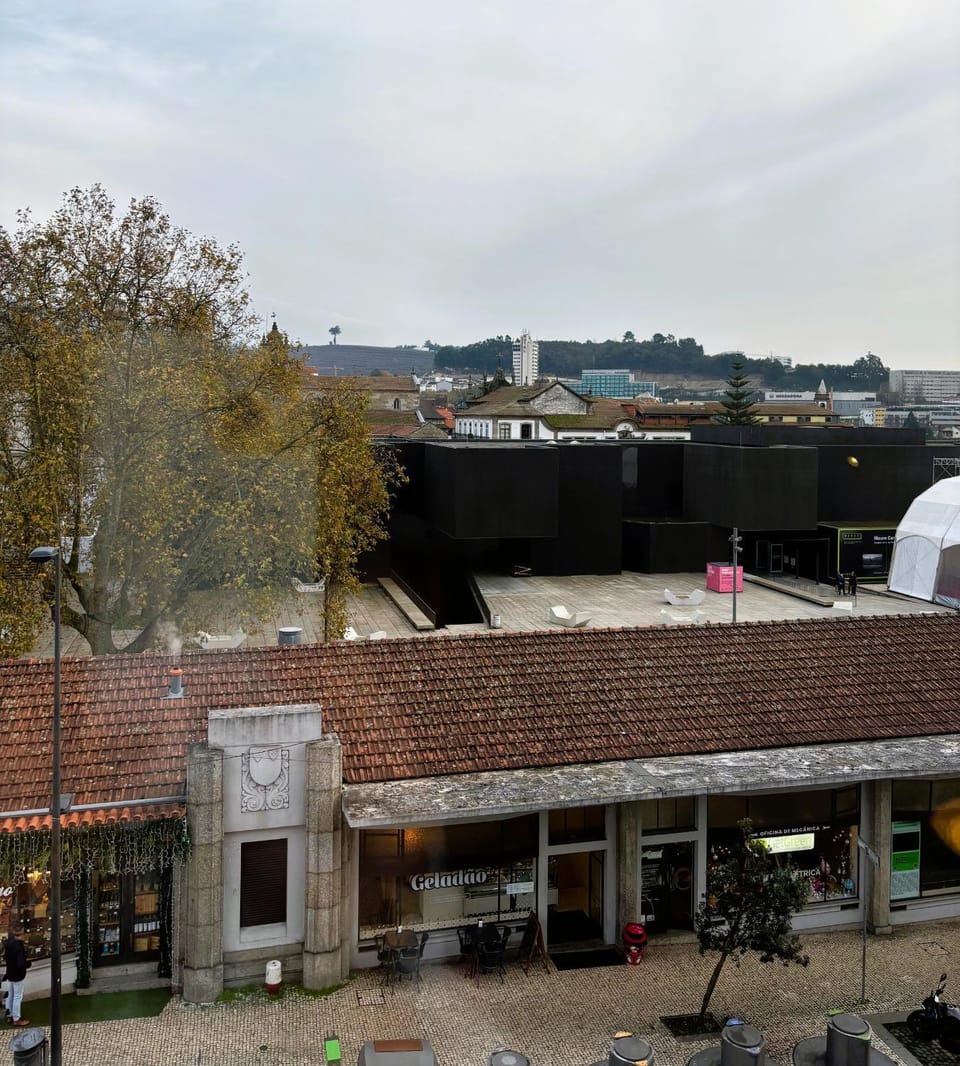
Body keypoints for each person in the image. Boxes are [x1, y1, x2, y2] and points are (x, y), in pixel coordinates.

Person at [3, 924, 29, 1027]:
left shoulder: (9, 942)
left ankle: (9, 1015)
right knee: (17, 996)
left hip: (10, 973)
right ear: (21, 934)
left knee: (11, 994)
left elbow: (5, 957)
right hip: (18, 975)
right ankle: (16, 1019)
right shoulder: (19, 946)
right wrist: (28, 964)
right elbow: (21, 963)